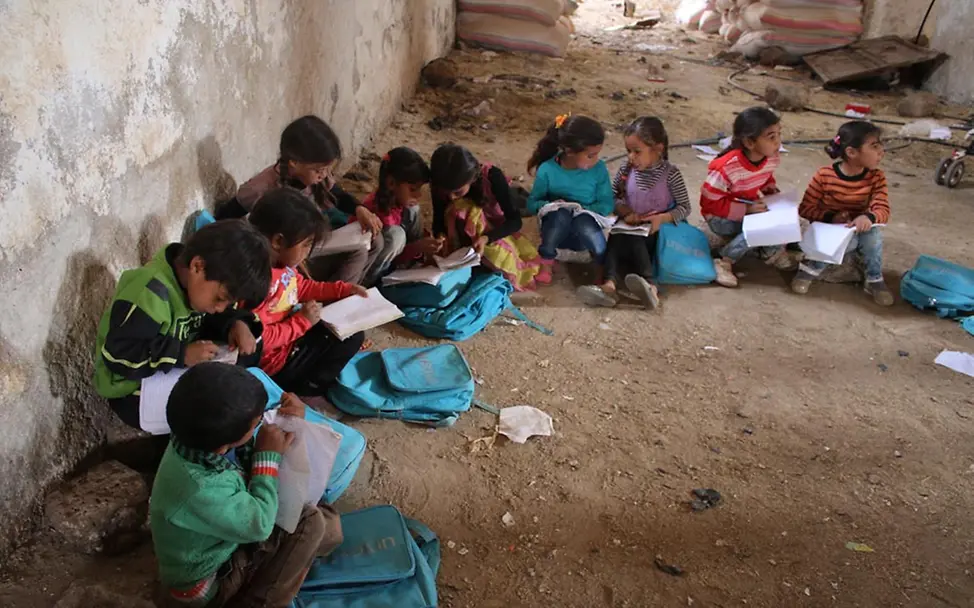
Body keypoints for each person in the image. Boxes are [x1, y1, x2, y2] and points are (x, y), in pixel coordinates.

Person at [151, 363, 342, 607]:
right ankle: (257, 601)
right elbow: (260, 526)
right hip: (209, 582)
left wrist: (289, 422)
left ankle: (299, 557)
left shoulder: (194, 436)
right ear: (225, 443)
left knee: (325, 522)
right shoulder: (199, 487)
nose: (262, 421)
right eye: (257, 422)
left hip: (223, 536)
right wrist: (267, 458)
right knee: (311, 523)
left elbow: (239, 451)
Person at [93, 220, 271, 429]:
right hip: (131, 388)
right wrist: (181, 354)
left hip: (168, 367)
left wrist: (235, 323)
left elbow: (215, 317)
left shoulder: (199, 285)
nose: (221, 308)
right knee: (216, 409)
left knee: (247, 354)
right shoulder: (150, 292)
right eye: (220, 299)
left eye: (228, 303)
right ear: (197, 266)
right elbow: (118, 356)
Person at [220, 115, 384, 284]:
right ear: (294, 163)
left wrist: (359, 208)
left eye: (327, 169)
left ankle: (352, 287)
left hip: (311, 244)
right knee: (359, 252)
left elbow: (337, 194)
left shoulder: (317, 178)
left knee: (374, 239)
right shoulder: (261, 188)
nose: (324, 175)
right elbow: (226, 217)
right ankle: (338, 296)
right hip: (293, 252)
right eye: (319, 170)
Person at [249, 188, 368, 396]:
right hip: (277, 365)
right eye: (306, 245)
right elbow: (260, 340)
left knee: (347, 329)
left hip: (291, 337)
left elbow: (302, 287)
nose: (307, 253)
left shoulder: (283, 266)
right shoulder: (258, 283)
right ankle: (309, 389)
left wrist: (343, 289)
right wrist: (302, 322)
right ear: (278, 241)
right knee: (350, 339)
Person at [577, 116, 691, 309]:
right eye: (628, 151)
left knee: (635, 237)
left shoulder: (671, 174)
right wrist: (625, 211)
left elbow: (685, 207)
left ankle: (651, 286)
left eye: (637, 151)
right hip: (629, 226)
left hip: (656, 235)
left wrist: (662, 218)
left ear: (658, 149)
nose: (631, 156)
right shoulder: (626, 170)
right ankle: (609, 286)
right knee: (617, 235)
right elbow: (612, 197)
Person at [793, 121, 893, 305]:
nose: (881, 151)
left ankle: (874, 279)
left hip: (857, 227)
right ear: (852, 152)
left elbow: (882, 208)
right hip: (828, 228)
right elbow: (806, 208)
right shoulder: (824, 175)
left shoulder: (876, 177)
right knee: (848, 242)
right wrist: (831, 217)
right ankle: (809, 270)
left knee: (873, 237)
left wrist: (868, 217)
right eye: (874, 146)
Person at [700, 106, 795, 288]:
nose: (778, 142)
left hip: (747, 206)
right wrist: (747, 210)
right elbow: (709, 204)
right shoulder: (726, 168)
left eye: (779, 134)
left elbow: (765, 177)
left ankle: (766, 252)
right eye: (771, 137)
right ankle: (724, 260)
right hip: (720, 218)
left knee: (782, 222)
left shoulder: (771, 157)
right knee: (761, 227)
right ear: (750, 142)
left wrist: (770, 191)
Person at [431, 144, 546, 290]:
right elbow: (438, 219)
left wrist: (486, 238)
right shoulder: (440, 185)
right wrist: (441, 237)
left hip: (493, 232)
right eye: (446, 193)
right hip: (460, 237)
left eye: (457, 192)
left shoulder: (492, 177)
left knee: (463, 208)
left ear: (472, 179)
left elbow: (515, 221)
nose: (451, 197)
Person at [526, 114, 614, 286]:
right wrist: (550, 205)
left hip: (584, 235)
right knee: (560, 214)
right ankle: (546, 262)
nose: (596, 160)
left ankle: (601, 267)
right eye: (590, 156)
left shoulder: (599, 169)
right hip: (556, 234)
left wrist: (585, 209)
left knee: (583, 221)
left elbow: (606, 204)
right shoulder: (548, 169)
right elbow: (532, 203)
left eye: (597, 154)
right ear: (569, 151)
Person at [357, 147, 436, 285]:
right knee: (396, 235)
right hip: (369, 268)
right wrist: (417, 247)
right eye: (413, 189)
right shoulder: (378, 214)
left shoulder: (397, 202)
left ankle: (414, 263)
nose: (418, 195)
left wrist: (425, 244)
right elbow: (383, 253)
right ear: (391, 183)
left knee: (413, 209)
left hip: (395, 257)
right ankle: (371, 284)